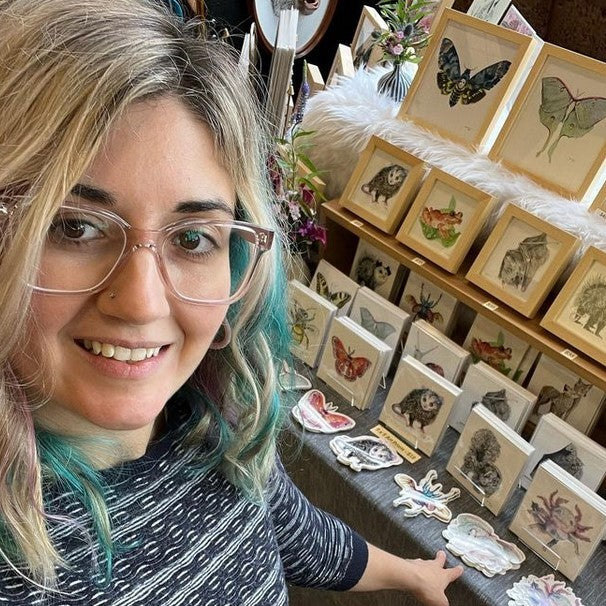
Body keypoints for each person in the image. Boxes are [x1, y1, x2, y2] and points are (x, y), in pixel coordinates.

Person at [0, 1, 463, 604]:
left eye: (193, 239)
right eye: (74, 227)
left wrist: (413, 574)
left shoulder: (213, 424)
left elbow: (296, 534)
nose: (141, 302)